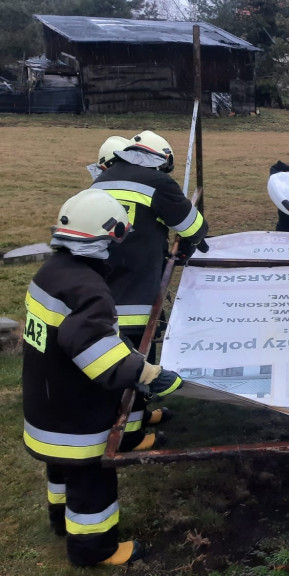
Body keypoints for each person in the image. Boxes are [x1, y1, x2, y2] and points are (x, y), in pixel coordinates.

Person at [22, 188, 183, 566]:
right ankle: (95, 549)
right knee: (91, 480)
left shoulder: (52, 273)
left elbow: (76, 337)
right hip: (76, 414)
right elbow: (96, 352)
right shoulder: (89, 289)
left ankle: (60, 520)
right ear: (107, 237)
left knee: (60, 469)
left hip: (46, 404)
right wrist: (147, 374)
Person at [91, 130, 208, 447]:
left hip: (103, 285)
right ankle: (129, 437)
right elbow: (193, 226)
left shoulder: (103, 180)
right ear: (159, 159)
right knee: (136, 363)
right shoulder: (157, 182)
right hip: (136, 290)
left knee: (117, 356)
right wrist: (192, 240)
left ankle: (139, 416)